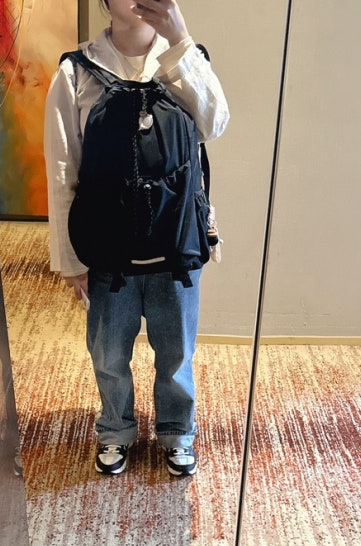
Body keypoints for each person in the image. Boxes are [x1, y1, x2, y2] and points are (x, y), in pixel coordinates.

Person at [44, 0, 229, 476]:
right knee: (108, 353)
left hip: (176, 241)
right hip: (107, 247)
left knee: (177, 352)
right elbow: (62, 171)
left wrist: (180, 40)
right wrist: (70, 259)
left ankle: (177, 431)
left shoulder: (187, 58)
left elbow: (215, 124)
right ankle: (115, 429)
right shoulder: (76, 72)